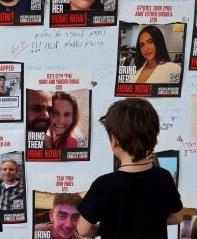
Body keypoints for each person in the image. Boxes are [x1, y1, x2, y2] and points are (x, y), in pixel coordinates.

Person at [76, 98, 183, 238]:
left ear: (114, 141)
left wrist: (106, 227)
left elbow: (83, 230)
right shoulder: (163, 178)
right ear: (154, 141)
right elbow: (177, 217)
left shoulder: (103, 185)